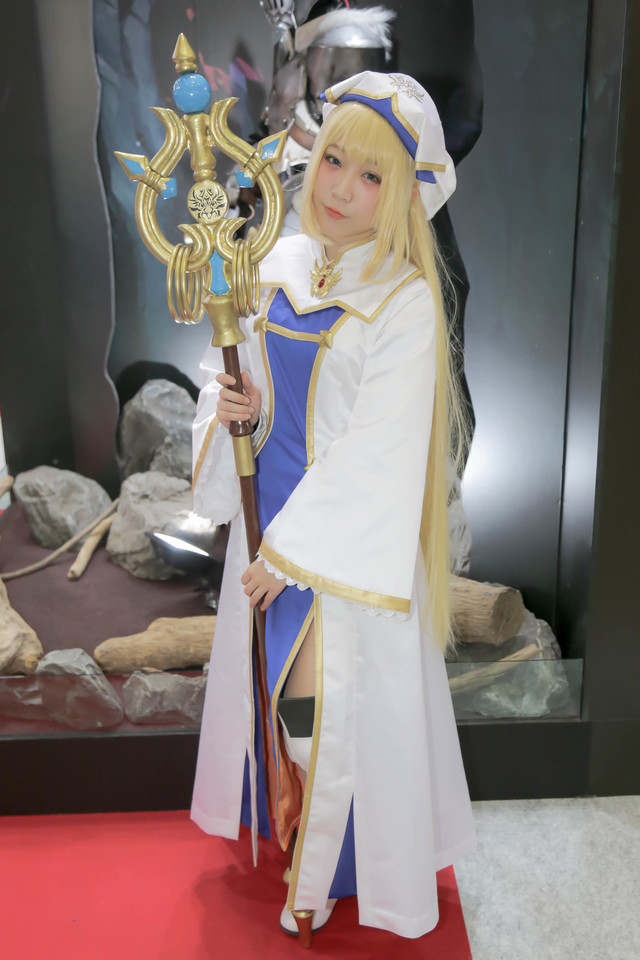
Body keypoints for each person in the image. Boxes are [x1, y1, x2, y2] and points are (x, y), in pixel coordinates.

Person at [190, 71, 476, 946]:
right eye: (335, 161)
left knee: (318, 716)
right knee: (273, 699)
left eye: (372, 175)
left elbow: (379, 451)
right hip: (266, 530)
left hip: (338, 552)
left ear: (408, 194)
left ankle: (321, 876)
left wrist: (289, 556)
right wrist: (236, 409)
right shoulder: (279, 262)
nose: (341, 187)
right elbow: (245, 390)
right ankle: (294, 834)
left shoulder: (408, 301)